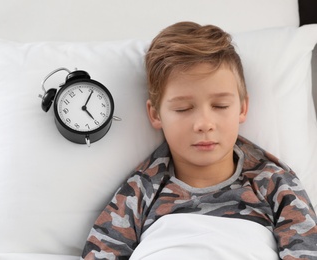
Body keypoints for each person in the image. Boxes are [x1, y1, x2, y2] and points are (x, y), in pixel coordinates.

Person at [81, 21, 317, 259]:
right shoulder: (140, 190)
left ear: (242, 108)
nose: (204, 123)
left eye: (220, 106)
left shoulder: (274, 183)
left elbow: (307, 251)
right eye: (183, 109)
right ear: (155, 114)